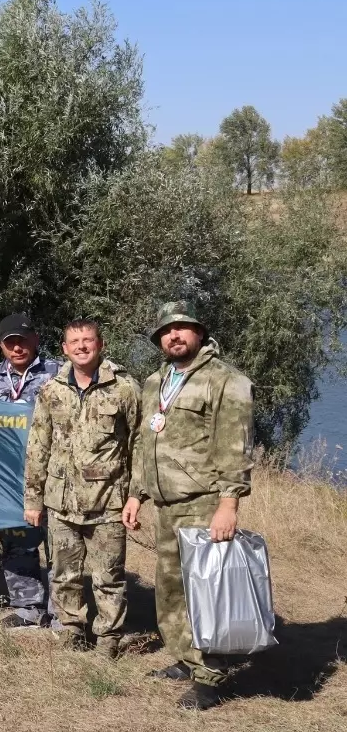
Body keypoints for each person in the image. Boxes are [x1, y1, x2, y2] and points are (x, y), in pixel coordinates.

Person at [124, 301, 254, 711]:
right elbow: (145, 443)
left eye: (182, 328)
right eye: (166, 331)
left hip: (203, 503)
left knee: (206, 592)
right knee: (171, 588)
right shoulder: (155, 382)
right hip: (164, 504)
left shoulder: (225, 380)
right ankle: (184, 657)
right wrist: (136, 493)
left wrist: (228, 504)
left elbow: (235, 446)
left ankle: (209, 677)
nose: (173, 336)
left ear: (199, 332)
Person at [24, 319, 140, 657]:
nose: (81, 346)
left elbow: (140, 446)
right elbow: (38, 446)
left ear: (100, 344)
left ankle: (108, 638)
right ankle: (73, 630)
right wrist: (33, 499)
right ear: (64, 348)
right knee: (64, 573)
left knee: (108, 576)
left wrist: (136, 495)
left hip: (108, 501)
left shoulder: (124, 389)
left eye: (87, 340)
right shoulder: (51, 390)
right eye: (74, 341)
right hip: (61, 503)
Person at [0, 312, 62, 629]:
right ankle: (27, 607)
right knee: (16, 538)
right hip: (6, 474)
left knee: (59, 540)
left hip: (51, 471)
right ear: (1, 346)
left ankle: (62, 611)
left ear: (36, 340)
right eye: (11, 342)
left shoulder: (58, 372)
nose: (18, 347)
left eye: (23, 340)